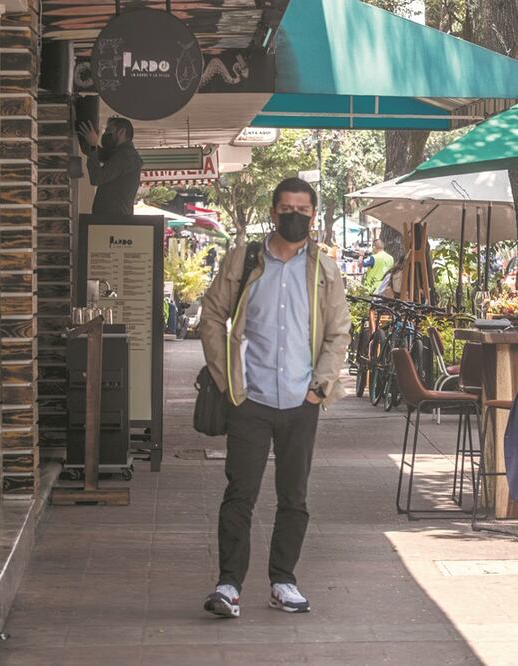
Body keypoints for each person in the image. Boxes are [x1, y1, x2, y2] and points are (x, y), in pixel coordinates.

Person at [199, 177, 350, 618]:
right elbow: (211, 316)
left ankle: (283, 581)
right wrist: (228, 381)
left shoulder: (324, 270)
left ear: (313, 216)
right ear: (272, 212)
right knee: (240, 493)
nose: (295, 216)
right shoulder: (243, 261)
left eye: (303, 211)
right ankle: (228, 585)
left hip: (302, 402)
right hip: (251, 399)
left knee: (294, 497)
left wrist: (319, 386)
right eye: (287, 208)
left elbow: (338, 333)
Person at [78, 116, 142, 215]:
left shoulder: (125, 156)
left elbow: (97, 178)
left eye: (109, 131)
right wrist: (91, 143)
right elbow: (96, 152)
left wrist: (93, 146)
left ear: (121, 132)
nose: (105, 135)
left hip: (113, 220)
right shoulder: (121, 154)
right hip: (113, 219)